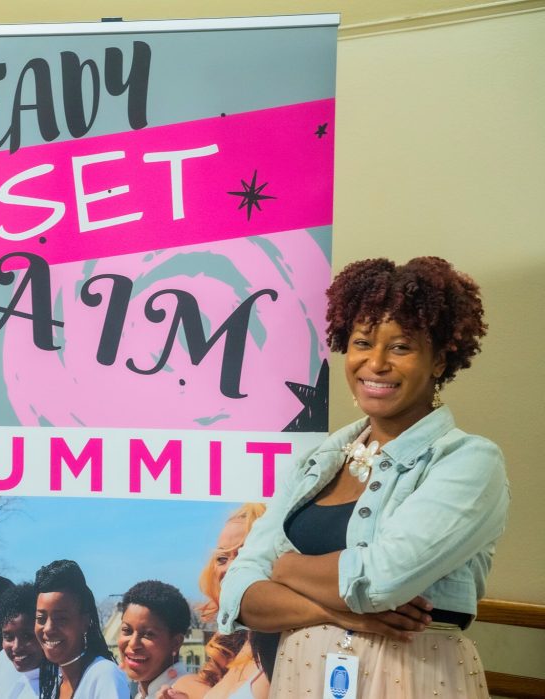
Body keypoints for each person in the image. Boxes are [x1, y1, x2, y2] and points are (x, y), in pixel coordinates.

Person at [216, 257, 509, 697]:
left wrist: (285, 567)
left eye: (401, 347)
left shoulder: (468, 461)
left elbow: (382, 581)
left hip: (409, 679)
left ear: (439, 359)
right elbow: (239, 594)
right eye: (362, 342)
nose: (376, 363)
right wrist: (342, 614)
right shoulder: (318, 462)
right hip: (300, 678)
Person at [169, 504, 271, 699]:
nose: (229, 568)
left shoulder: (286, 645)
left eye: (242, 554)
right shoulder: (236, 649)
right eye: (222, 558)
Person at [34, 559, 128, 699]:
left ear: (85, 621)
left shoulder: (104, 675)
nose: (48, 628)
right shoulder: (54, 683)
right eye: (41, 619)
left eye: (61, 619)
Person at [117, 580, 191, 699]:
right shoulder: (142, 694)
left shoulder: (187, 692)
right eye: (127, 630)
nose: (133, 643)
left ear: (176, 643)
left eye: (148, 634)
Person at [0, 583, 45, 699]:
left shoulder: (63, 686)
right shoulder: (19, 686)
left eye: (27, 636)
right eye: (8, 637)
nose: (16, 647)